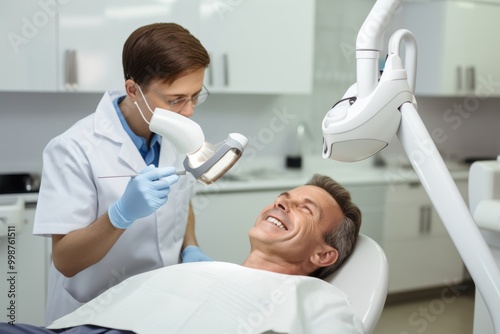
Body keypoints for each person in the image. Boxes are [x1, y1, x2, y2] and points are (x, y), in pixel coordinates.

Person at [4, 174, 363, 333]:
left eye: (306, 208)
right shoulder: (211, 272)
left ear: (323, 256)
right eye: (284, 197)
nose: (282, 202)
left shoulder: (317, 298)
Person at [32, 22, 213, 324]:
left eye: (196, 96)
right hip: (92, 314)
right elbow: (65, 260)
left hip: (160, 307)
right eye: (176, 99)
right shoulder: (73, 148)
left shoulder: (177, 135)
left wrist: (190, 246)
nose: (189, 111)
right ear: (133, 90)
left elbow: (180, 201)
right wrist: (119, 216)